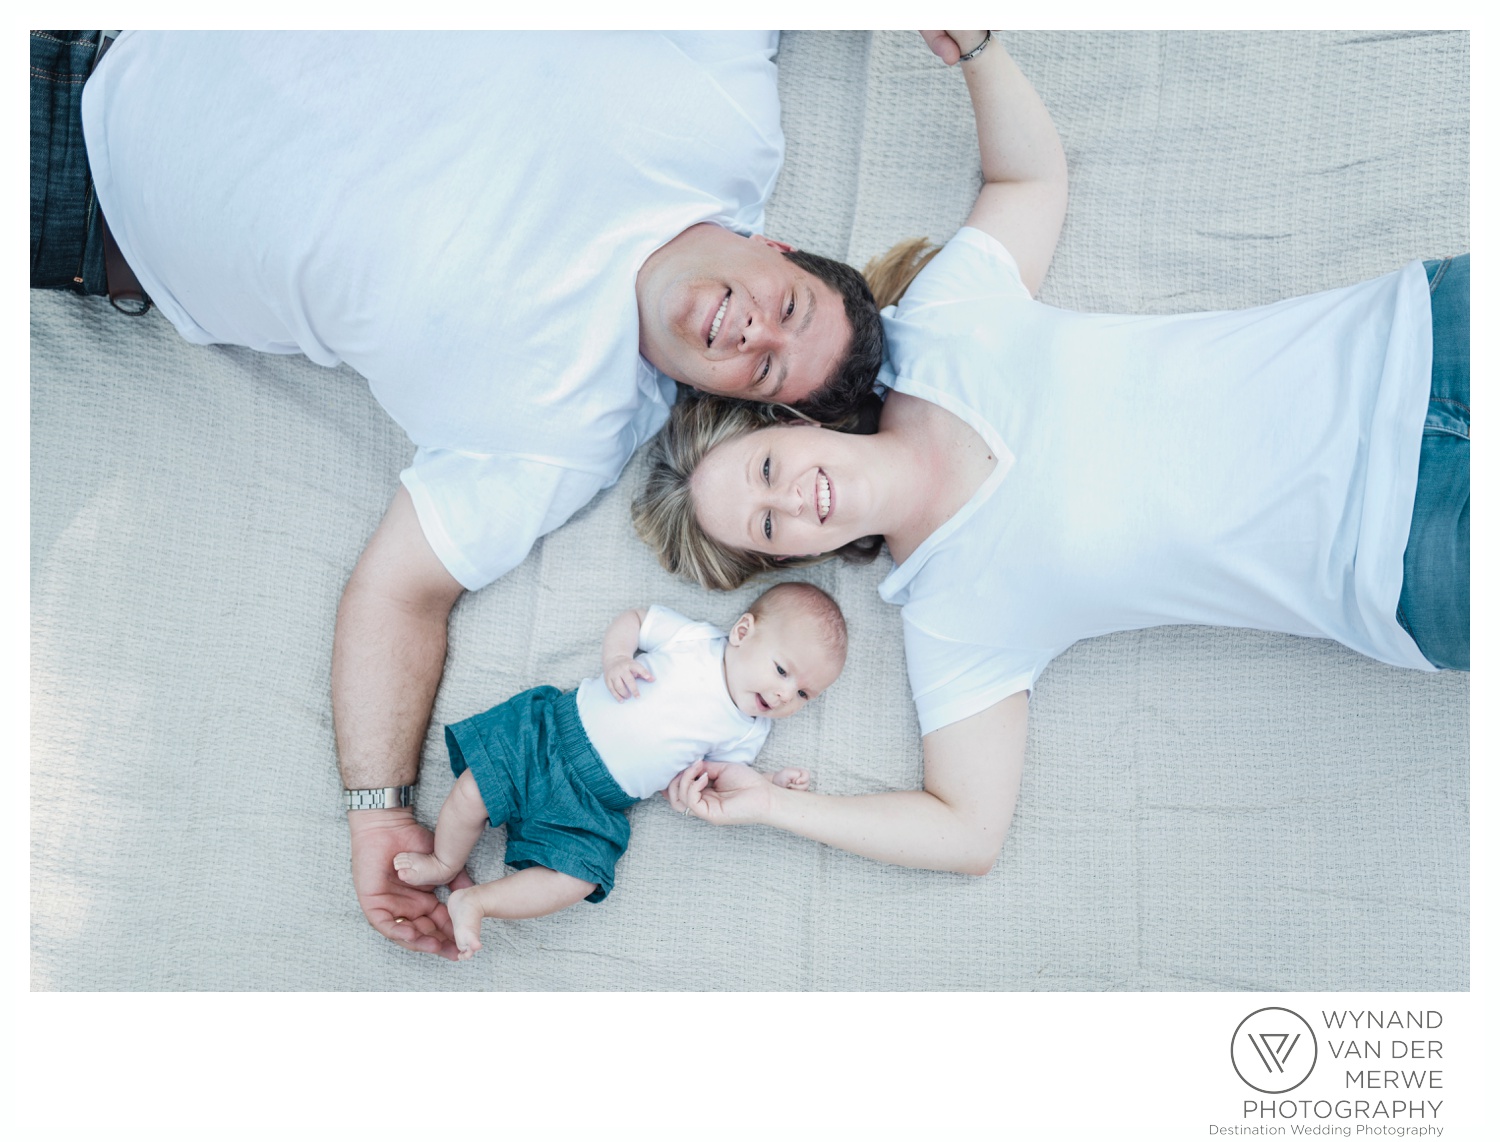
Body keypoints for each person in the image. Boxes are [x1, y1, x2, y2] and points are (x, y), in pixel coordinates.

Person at [29, 30, 884, 959]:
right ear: (778, 247)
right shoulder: (724, 116)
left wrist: (379, 817)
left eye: (765, 375)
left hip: (80, 196)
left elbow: (401, 593)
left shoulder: (569, 437)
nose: (756, 331)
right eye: (789, 307)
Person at [632, 31, 1468, 876]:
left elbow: (1028, 180)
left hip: (1421, 339)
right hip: (1412, 559)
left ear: (795, 423)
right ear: (796, 558)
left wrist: (977, 49)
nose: (793, 499)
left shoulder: (939, 326)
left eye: (767, 471)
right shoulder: (951, 619)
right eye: (770, 530)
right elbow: (966, 834)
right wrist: (775, 804)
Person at [391, 582, 847, 958]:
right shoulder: (695, 640)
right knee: (472, 790)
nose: (787, 695)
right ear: (744, 632)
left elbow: (722, 779)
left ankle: (478, 900)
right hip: (553, 734)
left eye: (805, 694)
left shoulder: (749, 733)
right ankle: (444, 861)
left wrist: (768, 784)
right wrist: (617, 659)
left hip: (595, 802)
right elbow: (635, 620)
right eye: (783, 671)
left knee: (579, 876)